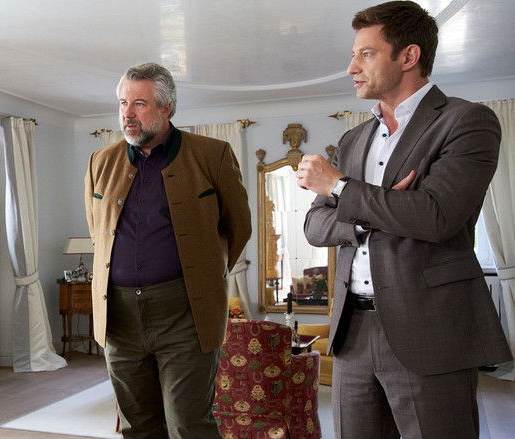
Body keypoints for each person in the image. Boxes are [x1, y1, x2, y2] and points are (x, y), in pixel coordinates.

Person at [299, 2, 512, 438]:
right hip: (352, 334)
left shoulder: (467, 121)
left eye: (366, 54)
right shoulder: (353, 138)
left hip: (430, 330)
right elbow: (314, 226)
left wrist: (340, 188)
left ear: (409, 56)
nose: (351, 67)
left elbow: (436, 216)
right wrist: (370, 214)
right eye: (354, 55)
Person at [84, 62, 251, 439]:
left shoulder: (212, 155)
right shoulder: (101, 162)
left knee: (188, 425)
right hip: (119, 317)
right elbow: (98, 231)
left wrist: (206, 273)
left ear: (166, 108)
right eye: (123, 103)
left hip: (185, 313)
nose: (127, 113)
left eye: (139, 103)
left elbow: (238, 227)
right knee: (137, 426)